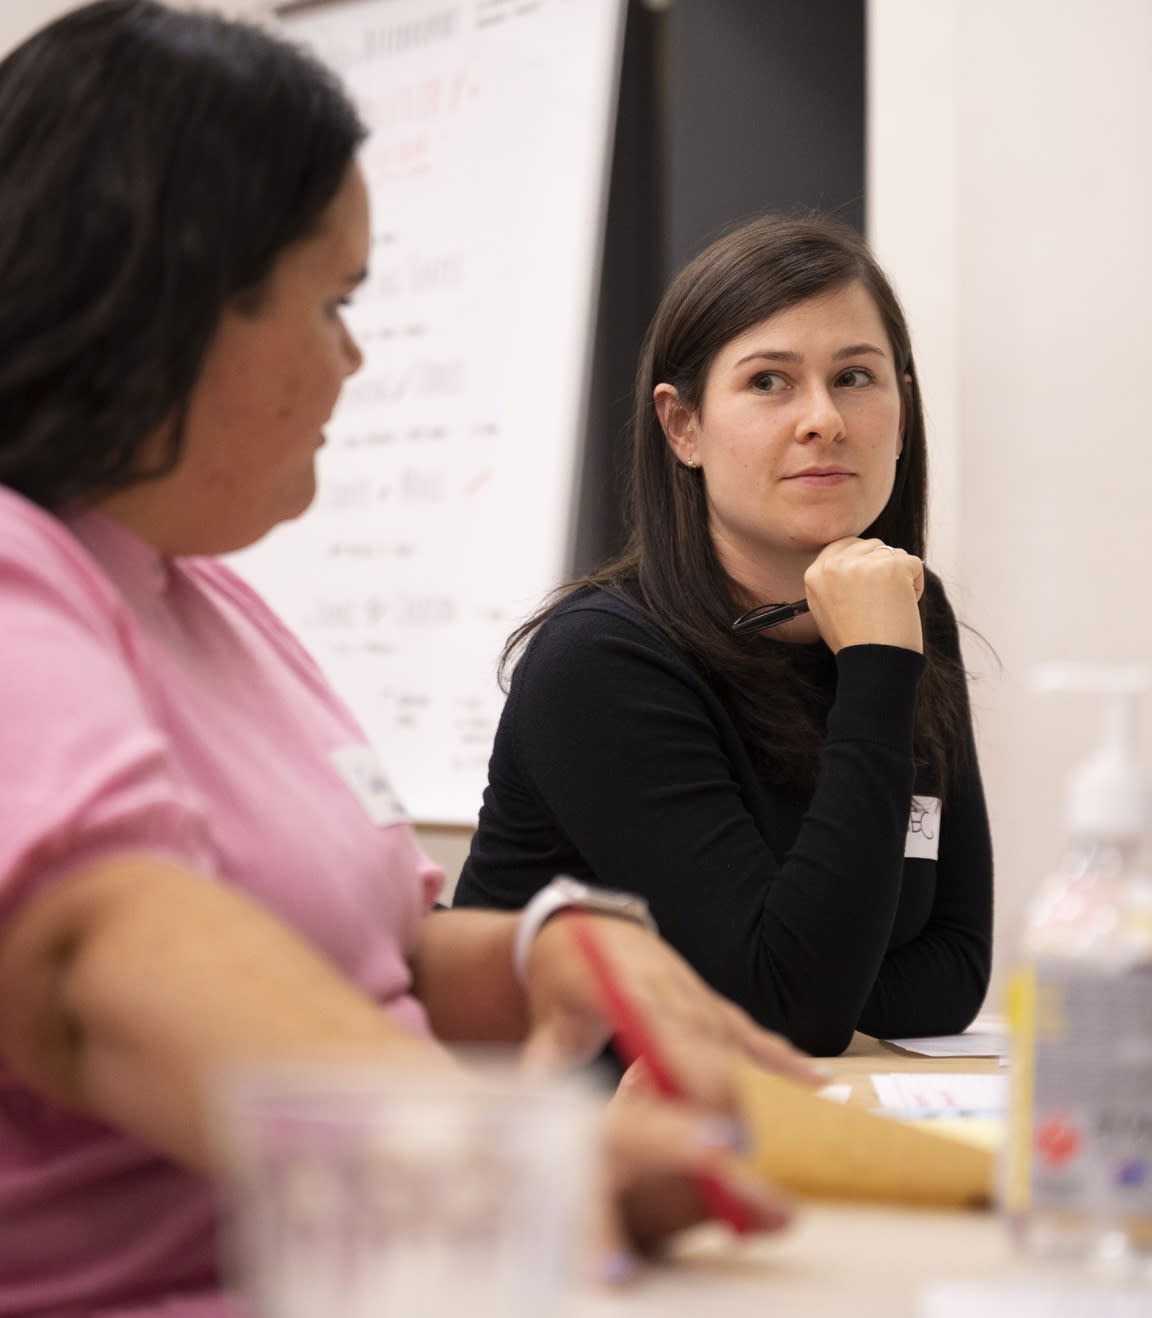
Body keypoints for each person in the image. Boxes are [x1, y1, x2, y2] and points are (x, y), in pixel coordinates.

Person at [0, 5, 817, 1314]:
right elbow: (100, 954)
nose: (355, 354)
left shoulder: (212, 598)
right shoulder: (21, 570)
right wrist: (516, 1167)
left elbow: (362, 949)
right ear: (175, 295)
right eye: (331, 300)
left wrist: (538, 947)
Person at [454, 214, 994, 1058]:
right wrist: (877, 673)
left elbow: (955, 971)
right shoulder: (600, 661)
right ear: (683, 427)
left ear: (903, 406)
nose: (823, 419)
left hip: (761, 1128)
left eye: (855, 376)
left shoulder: (903, 617)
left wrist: (802, 984)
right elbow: (789, 1009)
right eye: (770, 383)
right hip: (558, 1156)